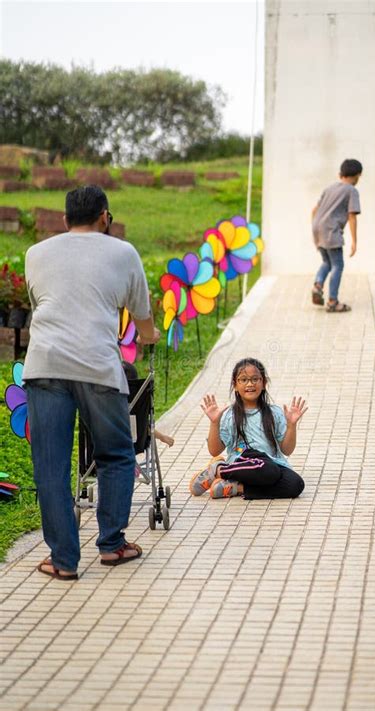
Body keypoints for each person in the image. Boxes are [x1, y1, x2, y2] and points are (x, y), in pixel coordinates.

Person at [23, 185, 160, 580]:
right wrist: (148, 335)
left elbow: (46, 304)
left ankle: (63, 560)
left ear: (65, 220)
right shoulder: (124, 252)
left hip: (44, 366)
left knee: (50, 467)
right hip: (99, 369)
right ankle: (112, 545)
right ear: (105, 217)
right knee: (116, 454)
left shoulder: (36, 254)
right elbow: (142, 316)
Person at [190, 358, 306, 500]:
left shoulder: (275, 413)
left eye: (255, 379)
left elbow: (287, 450)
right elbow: (214, 451)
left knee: (296, 484)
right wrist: (215, 423)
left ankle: (236, 488)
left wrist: (291, 426)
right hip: (244, 462)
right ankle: (219, 470)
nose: (250, 384)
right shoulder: (230, 415)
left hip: (270, 466)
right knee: (270, 470)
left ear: (264, 383)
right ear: (235, 385)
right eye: (243, 380)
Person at [311, 158, 362, 313]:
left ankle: (317, 286)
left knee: (327, 262)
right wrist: (354, 241)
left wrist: (315, 232)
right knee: (338, 265)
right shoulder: (352, 191)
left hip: (318, 228)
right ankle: (333, 302)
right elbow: (352, 216)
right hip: (331, 231)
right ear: (357, 175)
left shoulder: (329, 188)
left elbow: (314, 211)